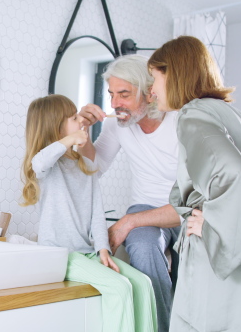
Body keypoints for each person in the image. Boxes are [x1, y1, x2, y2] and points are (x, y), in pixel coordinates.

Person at [148, 35, 241, 331]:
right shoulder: (240, 117)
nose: (151, 91)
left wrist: (213, 228)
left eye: (155, 78)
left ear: (174, 74)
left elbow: (230, 172)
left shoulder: (193, 114)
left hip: (228, 273)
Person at [21, 94, 157, 332]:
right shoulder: (47, 166)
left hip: (89, 253)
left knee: (143, 283)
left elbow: (96, 211)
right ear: (56, 126)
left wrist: (102, 248)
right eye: (74, 118)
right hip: (61, 255)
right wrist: (70, 139)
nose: (80, 122)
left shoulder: (84, 163)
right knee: (120, 287)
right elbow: (39, 162)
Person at [77, 55, 180, 332]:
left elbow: (194, 203)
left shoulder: (180, 122)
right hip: (145, 204)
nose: (114, 104)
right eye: (111, 94)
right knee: (145, 247)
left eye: (124, 94)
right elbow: (94, 167)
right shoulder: (117, 124)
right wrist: (82, 134)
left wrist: (129, 221)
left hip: (184, 208)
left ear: (150, 92)